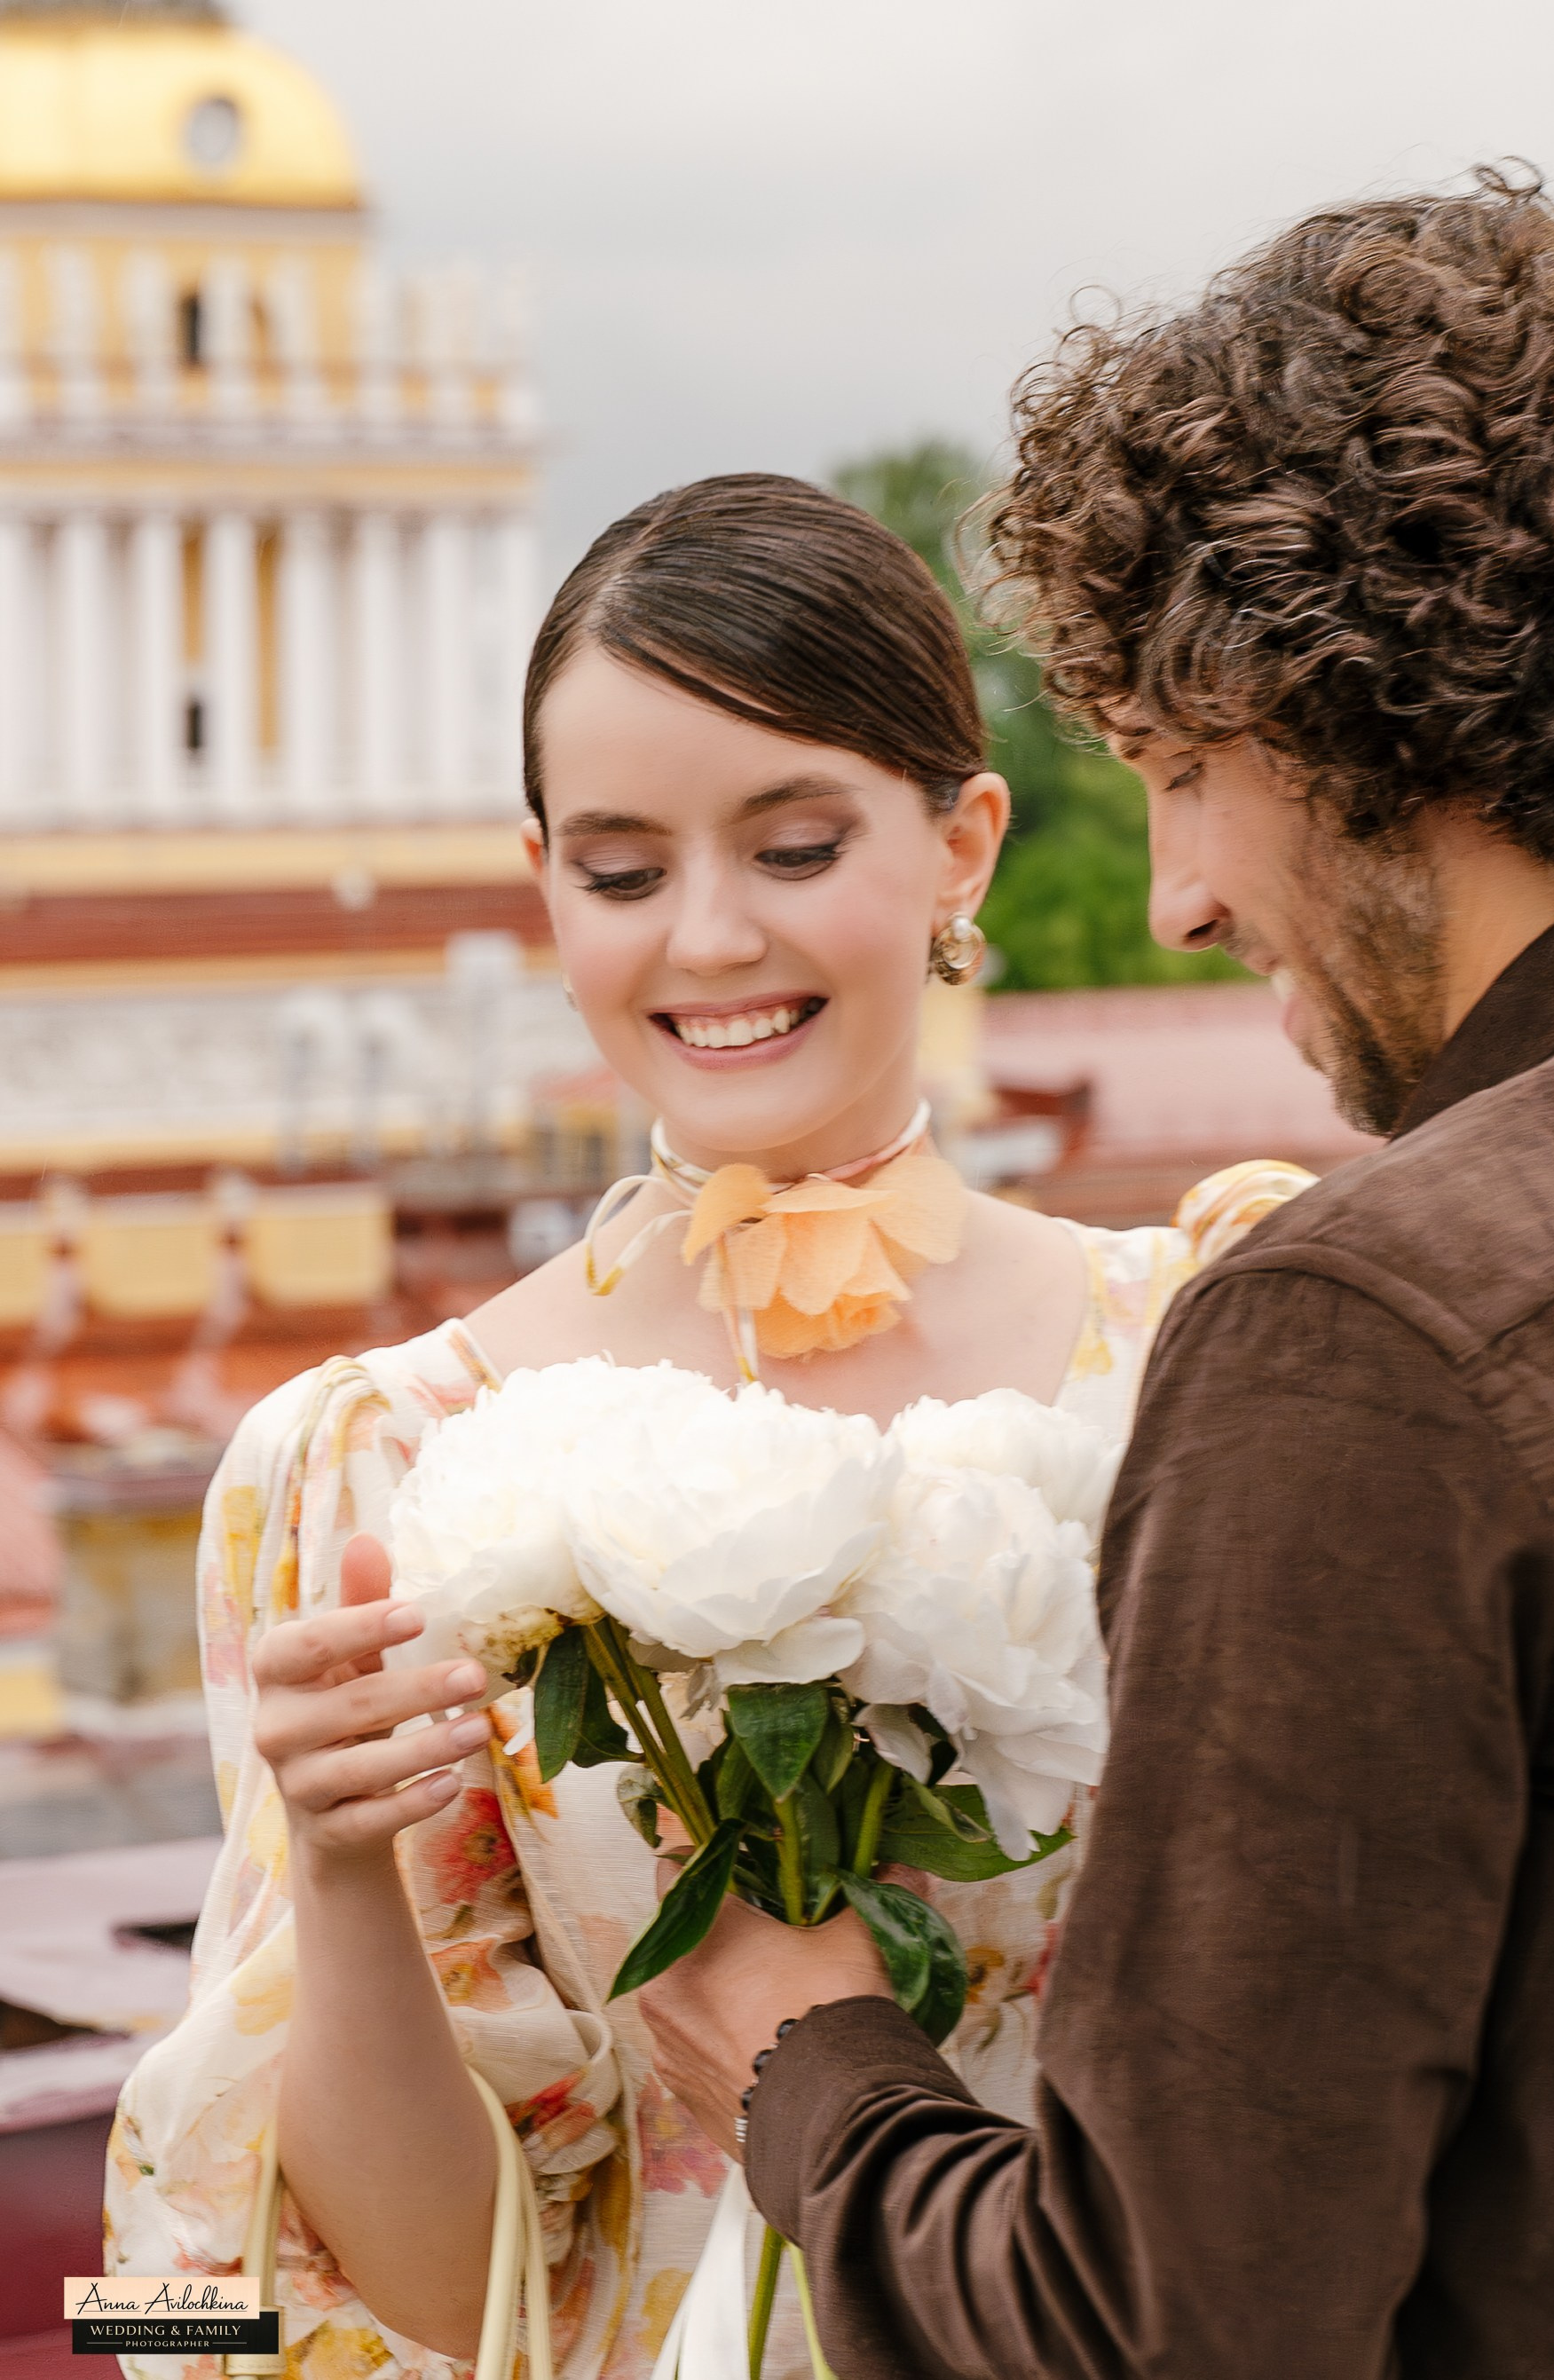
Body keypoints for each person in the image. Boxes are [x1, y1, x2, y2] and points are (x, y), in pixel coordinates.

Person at [639, 174, 1554, 2376]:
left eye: (1189, 774)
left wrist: (819, 2072)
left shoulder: (1378, 1325)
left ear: (1390, 725)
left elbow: (1170, 2329)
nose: (1179, 893)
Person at [104, 474, 1289, 2380]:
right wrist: (335, 1868)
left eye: (797, 845)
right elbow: (406, 2298)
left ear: (966, 844)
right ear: (544, 882)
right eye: (624, 871)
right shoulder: (382, 1460)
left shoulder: (1213, 1358)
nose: (710, 941)